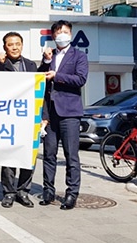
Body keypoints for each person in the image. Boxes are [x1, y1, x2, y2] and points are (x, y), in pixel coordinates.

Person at [38, 20, 88, 210]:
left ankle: (71, 194)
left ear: (71, 35)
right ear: (52, 36)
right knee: (49, 154)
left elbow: (80, 79)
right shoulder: (50, 55)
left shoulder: (79, 56)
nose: (61, 35)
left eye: (65, 32)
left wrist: (56, 76)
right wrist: (46, 62)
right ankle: (48, 191)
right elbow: (40, 79)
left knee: (71, 155)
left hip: (70, 113)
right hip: (50, 113)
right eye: (58, 32)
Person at [0, 32, 40, 209]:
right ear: (4, 47)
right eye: (11, 44)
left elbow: (40, 91)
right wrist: (2, 64)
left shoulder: (31, 65)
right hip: (8, 118)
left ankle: (23, 191)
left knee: (28, 155)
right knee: (8, 156)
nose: (15, 47)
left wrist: (43, 117)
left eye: (18, 44)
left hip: (29, 117)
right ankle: (9, 192)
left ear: (22, 45)